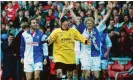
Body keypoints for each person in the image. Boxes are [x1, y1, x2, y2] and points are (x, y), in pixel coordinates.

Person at [69, 1, 112, 80]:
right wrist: (71, 10)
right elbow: (76, 20)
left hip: (96, 55)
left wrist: (110, 10)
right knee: (87, 75)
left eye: (90, 23)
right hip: (85, 55)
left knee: (97, 76)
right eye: (88, 23)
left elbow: (104, 20)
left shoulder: (97, 30)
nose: (89, 24)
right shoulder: (82, 30)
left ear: (93, 24)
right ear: (85, 24)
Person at [41, 12, 90, 80]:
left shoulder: (73, 31)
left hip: (70, 56)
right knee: (59, 72)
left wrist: (86, 41)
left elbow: (81, 37)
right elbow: (50, 39)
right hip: (59, 55)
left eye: (69, 21)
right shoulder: (56, 31)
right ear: (62, 23)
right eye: (67, 21)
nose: (69, 22)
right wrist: (46, 41)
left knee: (69, 75)